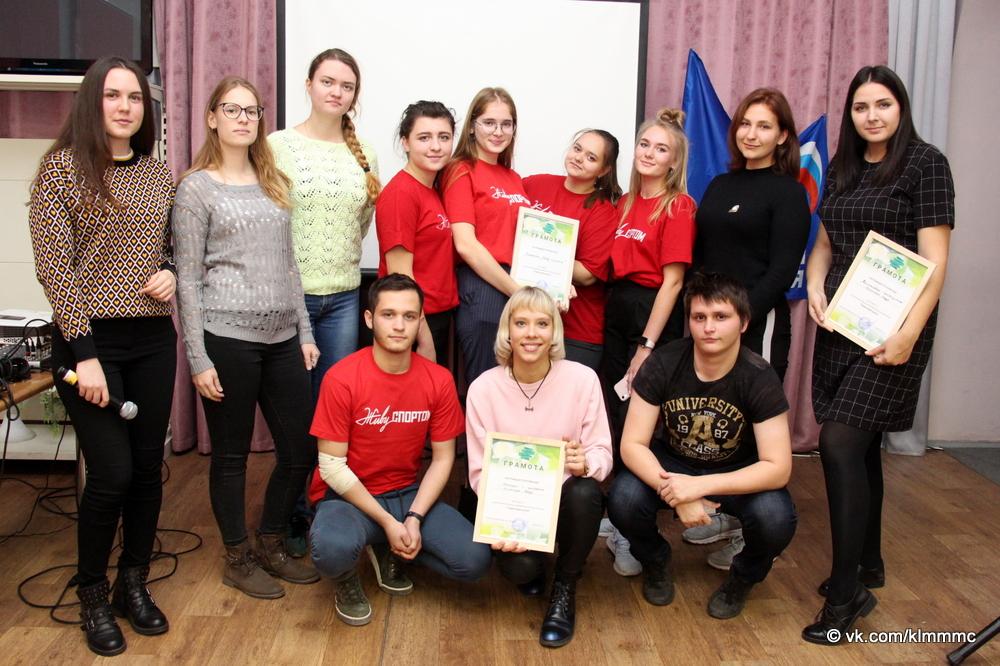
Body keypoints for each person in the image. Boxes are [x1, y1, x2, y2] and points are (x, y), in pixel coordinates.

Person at [28, 56, 176, 656]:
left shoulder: (159, 173)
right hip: (88, 345)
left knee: (145, 470)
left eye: (134, 98)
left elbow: (170, 246)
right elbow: (55, 269)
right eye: (113, 95)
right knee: (110, 473)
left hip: (152, 340)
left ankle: (131, 583)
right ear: (93, 101)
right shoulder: (61, 170)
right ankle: (91, 590)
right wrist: (85, 356)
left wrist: (169, 271)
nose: (124, 107)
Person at [802, 65, 954, 645]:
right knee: (860, 448)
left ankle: (846, 596)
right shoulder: (842, 167)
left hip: (895, 329)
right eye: (861, 106)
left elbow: (934, 263)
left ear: (901, 107)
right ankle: (867, 561)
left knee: (840, 443)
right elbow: (825, 242)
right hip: (843, 322)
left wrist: (910, 334)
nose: (872, 116)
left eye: (883, 104)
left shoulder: (925, 163)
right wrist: (815, 284)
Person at [173, 76, 320, 600]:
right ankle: (237, 557)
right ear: (212, 118)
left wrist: (304, 330)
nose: (243, 118)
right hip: (226, 338)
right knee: (231, 457)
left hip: (283, 338)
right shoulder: (196, 189)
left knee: (300, 449)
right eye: (231, 109)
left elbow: (290, 264)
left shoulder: (273, 180)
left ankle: (272, 541)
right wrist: (197, 357)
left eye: (251, 110)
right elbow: (187, 279)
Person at [607, 272, 796, 620]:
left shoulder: (759, 375)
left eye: (720, 317)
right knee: (624, 498)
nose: (709, 327)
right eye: (699, 317)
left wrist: (699, 487)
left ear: (743, 323)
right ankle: (655, 560)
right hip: (673, 465)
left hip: (734, 471)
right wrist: (679, 493)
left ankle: (743, 578)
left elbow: (778, 467)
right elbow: (632, 444)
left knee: (776, 518)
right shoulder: (663, 363)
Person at [308, 274, 492, 627]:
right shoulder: (342, 377)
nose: (398, 325)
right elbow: (331, 466)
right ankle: (350, 574)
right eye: (388, 315)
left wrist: (414, 519)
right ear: (369, 319)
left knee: (475, 561)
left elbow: (443, 459)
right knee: (331, 551)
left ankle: (391, 546)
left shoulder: (437, 379)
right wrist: (387, 522)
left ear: (420, 320)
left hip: (406, 494)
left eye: (409, 316)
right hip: (348, 496)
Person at [687, 88, 810, 570]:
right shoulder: (720, 185)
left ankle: (753, 532)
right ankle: (726, 514)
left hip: (758, 323)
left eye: (764, 126)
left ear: (782, 136)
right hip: (712, 325)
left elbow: (782, 269)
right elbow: (702, 256)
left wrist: (738, 321)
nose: (751, 134)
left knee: (754, 425)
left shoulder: (789, 192)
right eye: (745, 124)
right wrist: (702, 316)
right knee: (718, 422)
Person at [466, 287, 613, 647]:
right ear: (507, 331)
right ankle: (535, 562)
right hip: (515, 509)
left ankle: (565, 584)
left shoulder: (582, 380)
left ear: (554, 331)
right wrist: (502, 520)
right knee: (521, 571)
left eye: (542, 323)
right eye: (521, 323)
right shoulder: (483, 389)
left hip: (566, 502)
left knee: (586, 491)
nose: (531, 333)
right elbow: (480, 474)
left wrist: (586, 462)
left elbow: (602, 452)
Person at [601, 108, 697, 577]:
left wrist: (647, 345)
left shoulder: (678, 206)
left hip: (651, 316)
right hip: (616, 310)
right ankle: (616, 511)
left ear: (674, 161)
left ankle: (630, 528)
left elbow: (673, 283)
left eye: (662, 149)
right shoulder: (624, 202)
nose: (650, 154)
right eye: (645, 144)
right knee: (612, 414)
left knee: (637, 424)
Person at [269, 48, 381, 396]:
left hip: (344, 297)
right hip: (290, 295)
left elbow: (362, 220)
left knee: (335, 396)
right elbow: (265, 221)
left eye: (347, 86)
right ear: (309, 85)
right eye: (327, 82)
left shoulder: (366, 152)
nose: (337, 92)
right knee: (292, 399)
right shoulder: (278, 145)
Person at [442, 87, 532, 385]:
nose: (498, 131)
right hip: (483, 288)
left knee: (513, 386)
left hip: (513, 284)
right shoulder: (460, 170)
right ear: (472, 126)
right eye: (489, 123)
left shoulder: (513, 178)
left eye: (506, 124)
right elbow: (465, 245)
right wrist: (516, 290)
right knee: (487, 386)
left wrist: (554, 284)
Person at [523, 129, 622, 371]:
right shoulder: (535, 184)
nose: (579, 158)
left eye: (591, 157)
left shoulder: (602, 211)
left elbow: (587, 273)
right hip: (527, 323)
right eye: (577, 149)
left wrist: (531, 255)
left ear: (604, 170)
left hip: (575, 332)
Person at [375, 101, 458, 364]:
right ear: (406, 142)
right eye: (424, 138)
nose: (436, 146)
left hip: (439, 316)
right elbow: (401, 278)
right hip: (416, 322)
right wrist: (423, 339)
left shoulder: (432, 189)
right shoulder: (401, 194)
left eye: (443, 137)